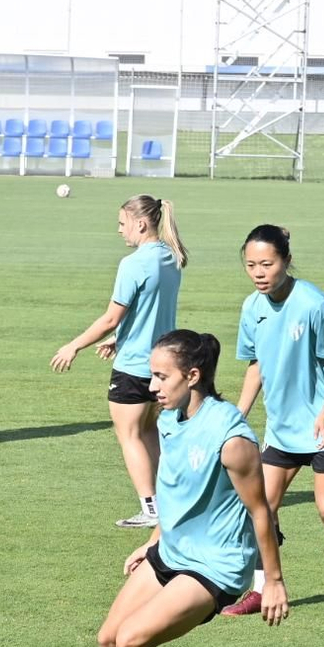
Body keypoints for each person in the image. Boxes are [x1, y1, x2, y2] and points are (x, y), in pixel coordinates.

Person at [76, 330, 287, 647]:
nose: (152, 386)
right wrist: (152, 540)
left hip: (216, 565)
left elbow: (262, 512)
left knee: (134, 640)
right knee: (108, 641)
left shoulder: (232, 438)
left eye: (160, 376)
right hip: (172, 549)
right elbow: (176, 491)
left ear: (192, 376)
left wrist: (273, 582)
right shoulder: (170, 417)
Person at [222, 224, 324, 624]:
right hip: (281, 429)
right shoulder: (252, 308)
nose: (259, 272)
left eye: (267, 264)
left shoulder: (315, 304)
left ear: (285, 260)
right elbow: (256, 367)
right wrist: (238, 415)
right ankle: (262, 587)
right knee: (262, 507)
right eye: (251, 265)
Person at [50, 195, 187, 529]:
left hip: (134, 366)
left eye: (122, 223)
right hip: (163, 364)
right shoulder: (171, 258)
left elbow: (111, 318)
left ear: (141, 223)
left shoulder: (134, 264)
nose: (120, 230)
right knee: (149, 431)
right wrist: (120, 337)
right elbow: (148, 310)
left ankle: (150, 508)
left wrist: (74, 345)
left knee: (129, 436)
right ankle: (163, 503)